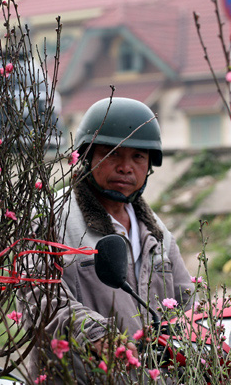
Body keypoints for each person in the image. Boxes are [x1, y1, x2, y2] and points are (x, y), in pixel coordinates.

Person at [19, 97, 193, 382]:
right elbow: (38, 299)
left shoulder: (158, 233)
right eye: (113, 154)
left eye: (138, 157)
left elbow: (188, 303)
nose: (126, 167)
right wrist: (94, 332)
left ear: (149, 165)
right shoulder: (51, 221)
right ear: (87, 157)